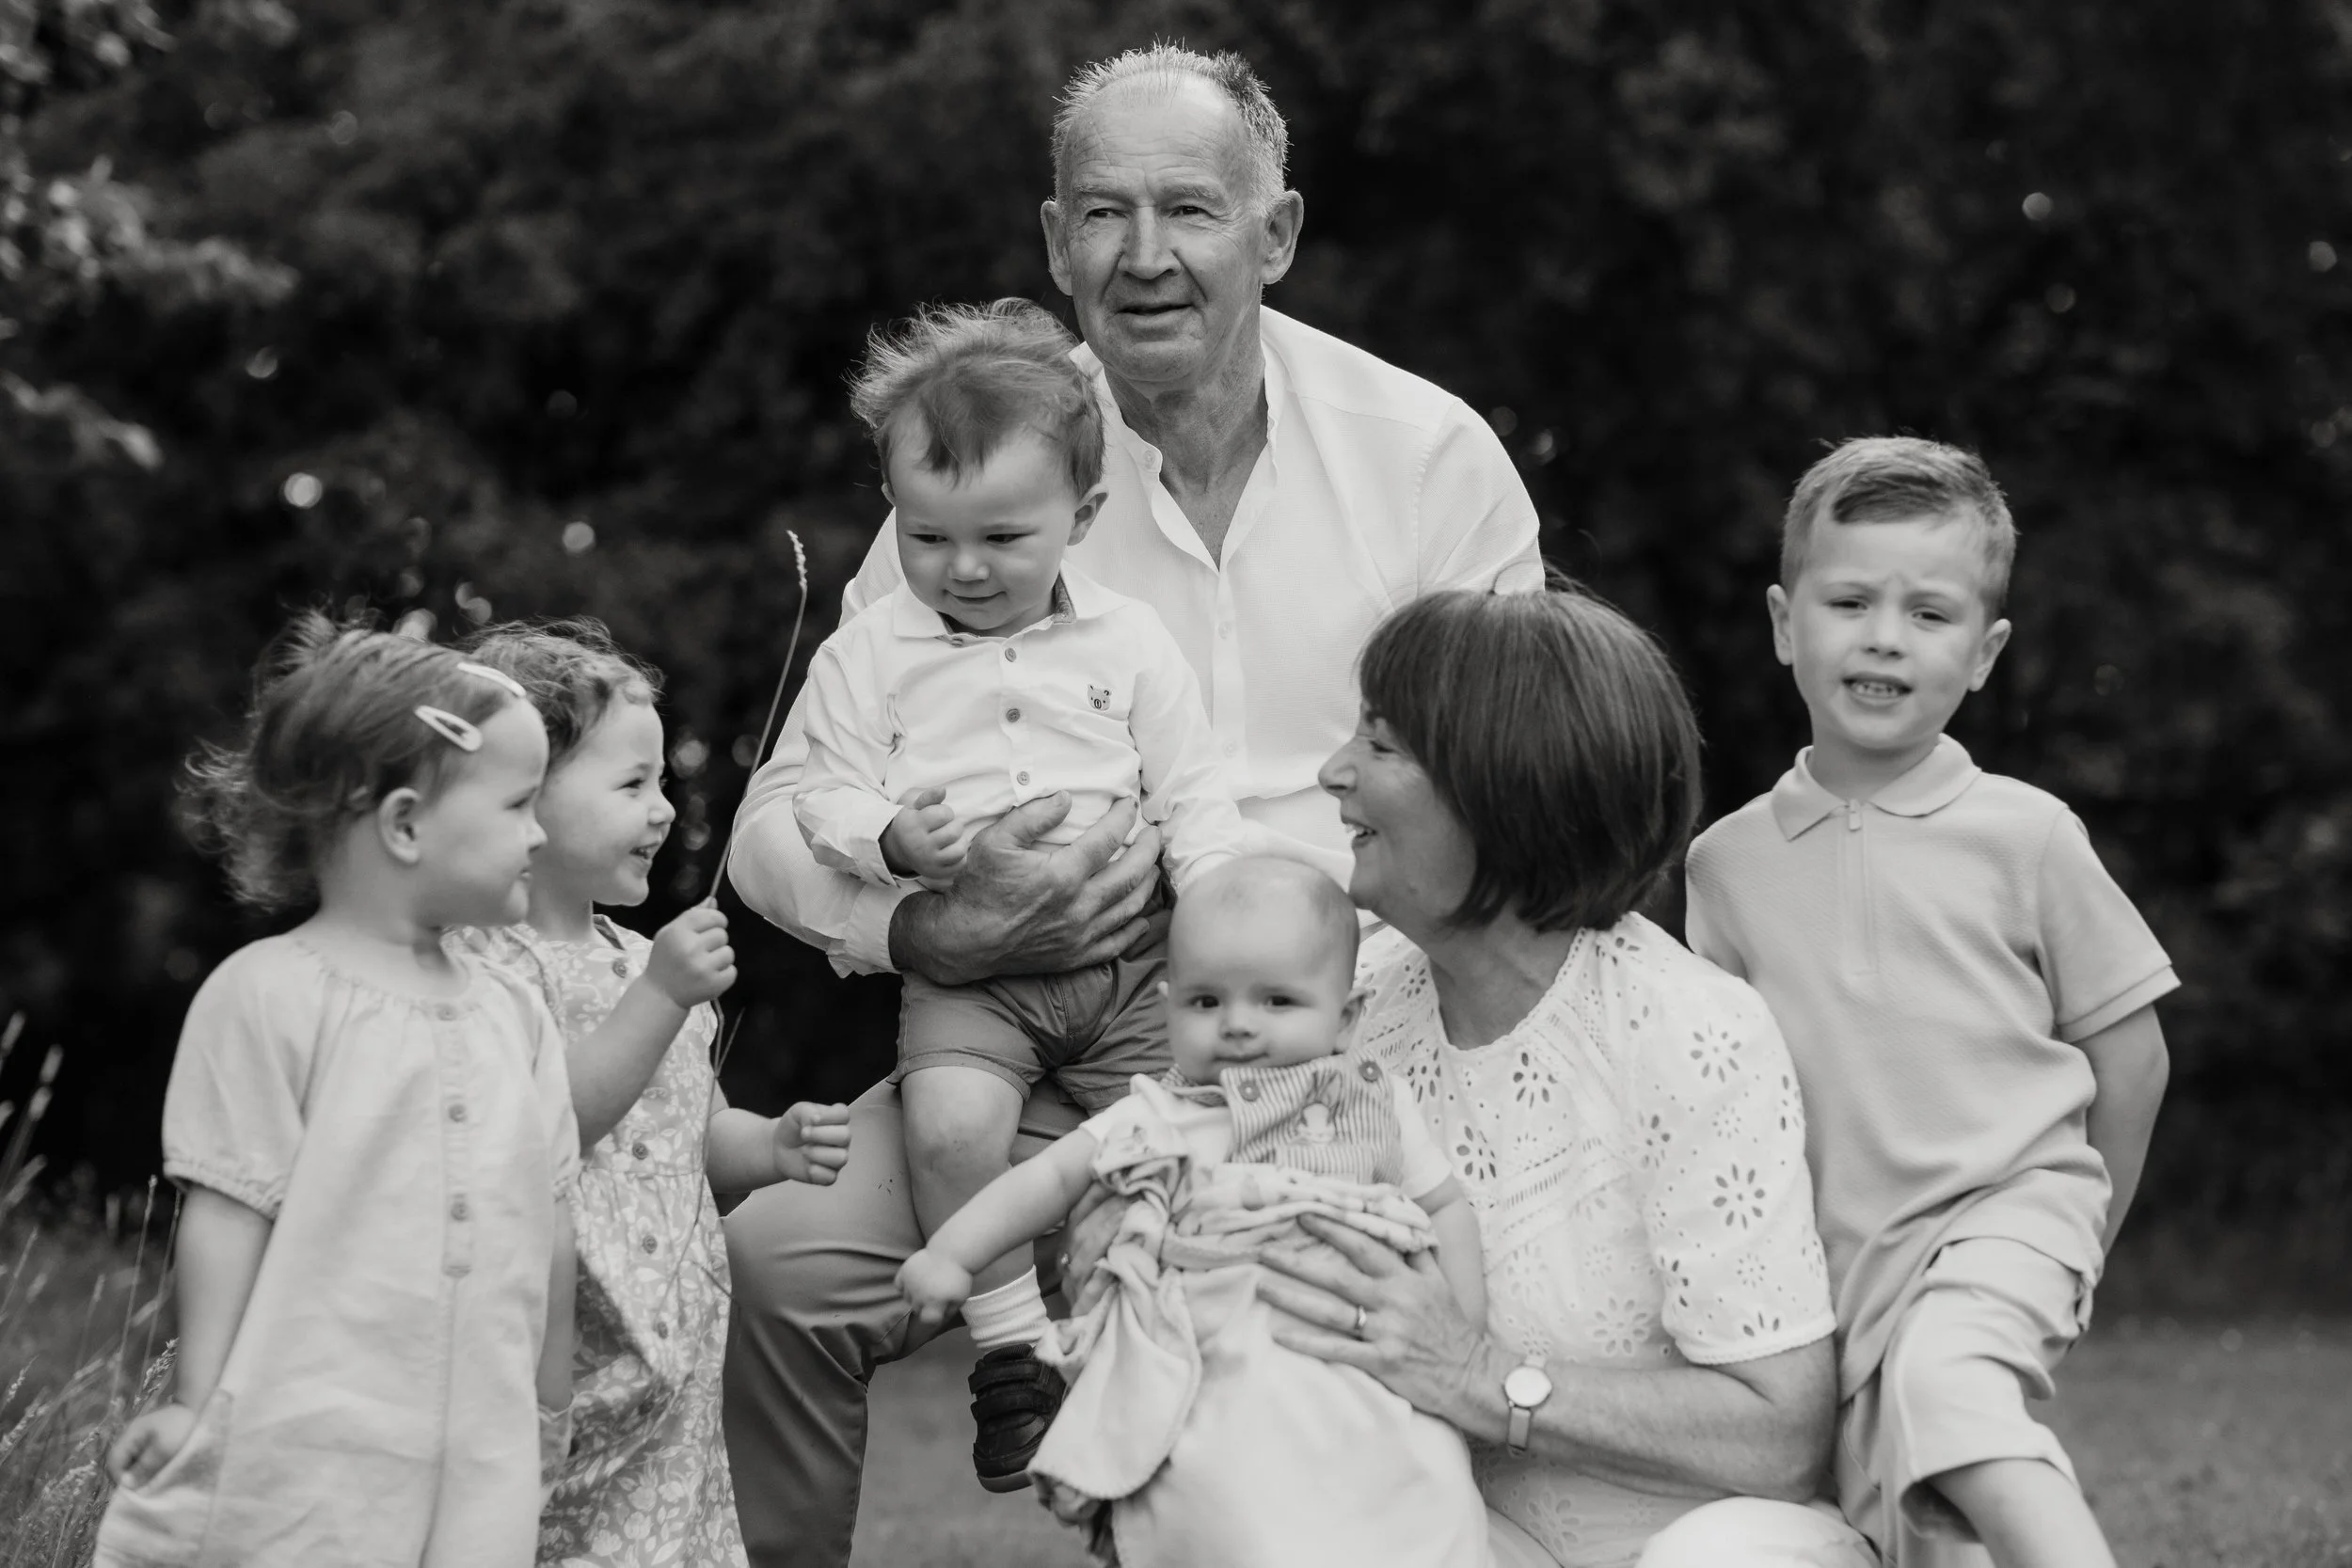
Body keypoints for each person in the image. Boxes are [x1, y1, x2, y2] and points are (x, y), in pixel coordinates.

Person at [722, 42, 1540, 1565]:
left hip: (1341, 1052)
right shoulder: (984, 464)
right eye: (1104, 214)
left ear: (1275, 233)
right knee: (781, 1259)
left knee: (1233, 1288)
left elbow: (1518, 791)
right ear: (1053, 243)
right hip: (1017, 1019)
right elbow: (779, 821)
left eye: (1189, 210)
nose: (1144, 256)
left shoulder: (1425, 458)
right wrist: (922, 926)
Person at [1249, 585, 1879, 1568]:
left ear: (1503, 787)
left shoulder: (1683, 1030)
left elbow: (1779, 1429)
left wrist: (1481, 1376)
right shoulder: (1349, 1010)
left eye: (1380, 745)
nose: (1334, 775)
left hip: (1712, 1535)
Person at [1682, 438, 2176, 1568]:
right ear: (1780, 621)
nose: (1884, 637)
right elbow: (1721, 1092)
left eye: (1929, 613)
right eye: (1849, 599)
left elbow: (2131, 1058)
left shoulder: (2028, 833)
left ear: (1986, 650)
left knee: (1947, 1386)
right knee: (1905, 1514)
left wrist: (2078, 1235)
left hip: (2009, 1210)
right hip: (1837, 1257)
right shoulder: (1725, 865)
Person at [791, 300, 1252, 1488]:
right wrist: (890, 837)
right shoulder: (869, 651)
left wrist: (1211, 916)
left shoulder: (1131, 641)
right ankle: (1012, 1354)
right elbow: (817, 793)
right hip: (973, 977)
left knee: (1183, 1150)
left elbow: (1194, 792)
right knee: (950, 1128)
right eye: (927, 536)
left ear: (1081, 518)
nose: (963, 568)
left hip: (1130, 966)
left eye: (1001, 536)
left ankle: (1183, 1362)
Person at [96, 617, 579, 1568]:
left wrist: (548, 1406)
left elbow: (549, 1223)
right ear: (403, 824)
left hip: (484, 1447)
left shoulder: (516, 1014)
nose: (541, 833)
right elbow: (231, 1209)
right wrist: (196, 1397)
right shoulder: (270, 995)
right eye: (521, 804)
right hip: (312, 1439)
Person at [897, 856, 1490, 1567]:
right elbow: (1047, 1179)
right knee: (1217, 1509)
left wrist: (1465, 1337)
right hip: (1218, 1371)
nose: (1238, 1025)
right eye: (1207, 1002)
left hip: (1354, 1361)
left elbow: (1443, 1205)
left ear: (1346, 1017)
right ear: (1169, 1007)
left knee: (1413, 1493)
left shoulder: (1372, 1098)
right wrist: (952, 1252)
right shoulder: (1156, 1113)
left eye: (1276, 1001)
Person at [449, 621, 853, 1565]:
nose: (666, 809)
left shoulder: (640, 959)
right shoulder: (485, 968)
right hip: (562, 1373)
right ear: (522, 798)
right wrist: (662, 997)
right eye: (631, 784)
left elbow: (692, 1140)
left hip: (675, 1372)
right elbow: (547, 1130)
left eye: (661, 780)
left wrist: (770, 1144)